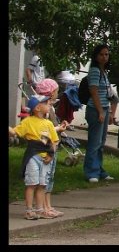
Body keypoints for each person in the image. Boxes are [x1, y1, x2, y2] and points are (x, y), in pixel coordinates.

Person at [9, 96, 63, 220]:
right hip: (33, 155)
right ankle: (29, 210)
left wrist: (51, 155)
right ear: (38, 107)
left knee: (42, 184)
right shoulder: (27, 122)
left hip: (45, 157)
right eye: (46, 103)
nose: (49, 105)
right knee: (32, 183)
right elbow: (15, 132)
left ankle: (40, 210)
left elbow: (54, 141)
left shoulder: (49, 124)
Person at [34, 79, 70, 218]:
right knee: (45, 178)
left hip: (52, 146)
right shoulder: (43, 110)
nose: (57, 93)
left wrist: (59, 128)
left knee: (50, 178)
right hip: (47, 147)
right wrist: (57, 129)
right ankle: (42, 206)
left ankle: (48, 205)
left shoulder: (50, 107)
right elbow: (43, 132)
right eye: (55, 90)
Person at [83, 43, 114, 183]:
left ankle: (99, 168)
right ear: (96, 56)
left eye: (106, 54)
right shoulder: (95, 71)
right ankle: (91, 171)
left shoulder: (104, 72)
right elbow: (93, 91)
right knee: (94, 142)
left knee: (101, 142)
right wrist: (100, 111)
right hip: (96, 109)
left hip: (105, 108)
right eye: (101, 54)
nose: (104, 57)